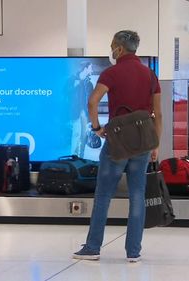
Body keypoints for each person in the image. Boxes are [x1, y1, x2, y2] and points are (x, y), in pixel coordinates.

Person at [72, 30, 162, 263]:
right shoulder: (150, 74)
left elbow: (92, 101)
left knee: (104, 195)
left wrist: (96, 128)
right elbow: (158, 114)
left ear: (119, 49)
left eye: (112, 45)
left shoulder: (111, 73)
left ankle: (93, 247)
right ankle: (133, 252)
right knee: (137, 195)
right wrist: (156, 144)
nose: (111, 50)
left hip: (117, 143)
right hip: (142, 142)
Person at [69, 61, 94, 157]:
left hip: (85, 114)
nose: (92, 70)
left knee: (83, 137)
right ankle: (72, 159)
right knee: (75, 135)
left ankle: (80, 159)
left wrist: (91, 119)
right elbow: (65, 93)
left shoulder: (89, 84)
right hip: (75, 112)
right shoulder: (72, 80)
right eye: (91, 68)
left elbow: (90, 102)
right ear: (85, 68)